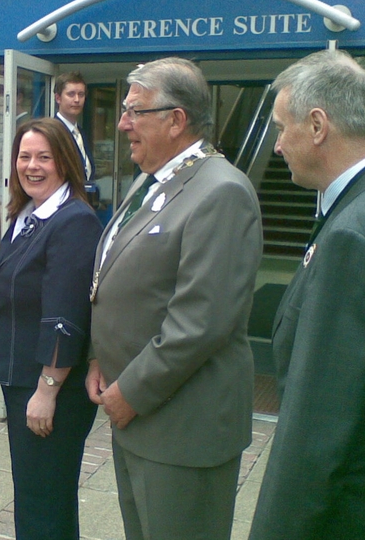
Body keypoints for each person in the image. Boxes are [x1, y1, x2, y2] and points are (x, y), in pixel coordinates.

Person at [85, 58, 263, 540]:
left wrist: (131, 392)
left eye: (134, 111)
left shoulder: (222, 192)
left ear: (176, 119)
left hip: (183, 428)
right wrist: (101, 356)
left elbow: (200, 321)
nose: (122, 123)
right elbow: (127, 280)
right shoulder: (154, 179)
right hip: (139, 420)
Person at [249, 50, 365, 540]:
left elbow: (316, 429)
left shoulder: (354, 235)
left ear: (318, 125)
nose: (277, 145)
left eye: (281, 128)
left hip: (350, 515)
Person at [0, 117, 102, 539]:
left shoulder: (73, 221)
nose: (32, 166)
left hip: (48, 387)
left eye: (44, 157)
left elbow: (65, 315)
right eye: (24, 156)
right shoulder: (28, 214)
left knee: (43, 507)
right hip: (21, 380)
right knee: (39, 501)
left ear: (65, 163)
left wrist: (46, 390)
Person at [54, 71, 95, 184]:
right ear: (58, 98)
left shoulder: (81, 133)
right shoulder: (51, 132)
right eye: (71, 94)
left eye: (81, 94)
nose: (77, 100)